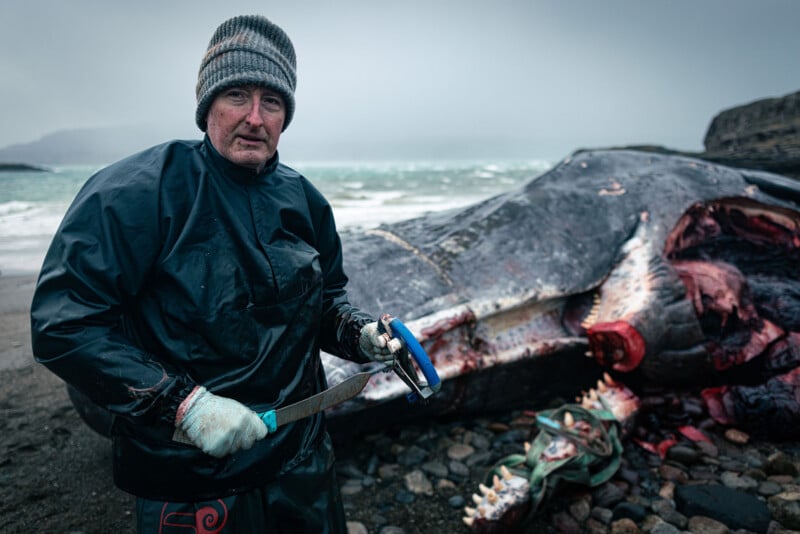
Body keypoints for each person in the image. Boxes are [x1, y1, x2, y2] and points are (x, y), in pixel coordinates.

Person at [30, 14, 399, 533]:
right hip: (189, 474)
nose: (254, 117)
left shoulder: (305, 202)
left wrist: (358, 334)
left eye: (271, 102)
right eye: (237, 97)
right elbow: (63, 326)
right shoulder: (134, 195)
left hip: (301, 459)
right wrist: (184, 406)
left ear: (285, 116)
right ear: (207, 106)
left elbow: (323, 304)